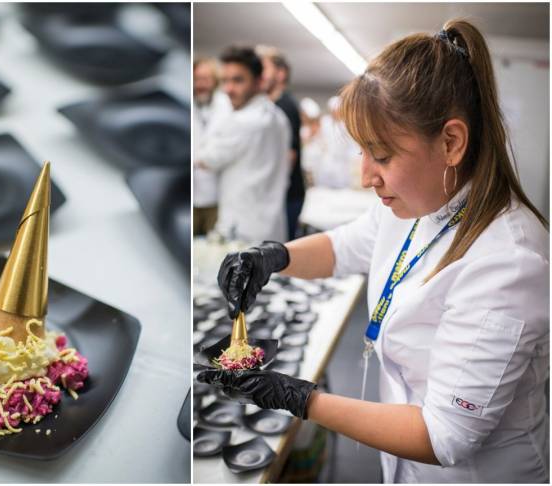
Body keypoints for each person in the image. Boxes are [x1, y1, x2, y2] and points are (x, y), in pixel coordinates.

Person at [200, 19, 549, 483]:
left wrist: (300, 399)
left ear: (451, 142)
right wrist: (272, 257)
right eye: (362, 152)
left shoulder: (509, 260)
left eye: (381, 155)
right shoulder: (422, 202)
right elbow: (345, 246)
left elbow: (443, 435)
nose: (366, 176)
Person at [195, 46, 290, 243]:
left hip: (241, 231)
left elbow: (204, 160)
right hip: (272, 228)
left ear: (259, 81)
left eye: (238, 80)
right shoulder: (279, 118)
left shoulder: (241, 122)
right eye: (225, 81)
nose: (229, 89)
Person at [257, 45, 305, 241]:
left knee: (278, 252)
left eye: (263, 68)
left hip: (285, 196)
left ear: (281, 73)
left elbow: (289, 155)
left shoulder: (285, 106)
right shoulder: (267, 105)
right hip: (273, 195)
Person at [193, 57, 231, 236]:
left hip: (217, 194)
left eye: (206, 79)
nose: (201, 84)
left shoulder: (225, 106)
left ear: (214, 81)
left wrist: (205, 160)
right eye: (197, 79)